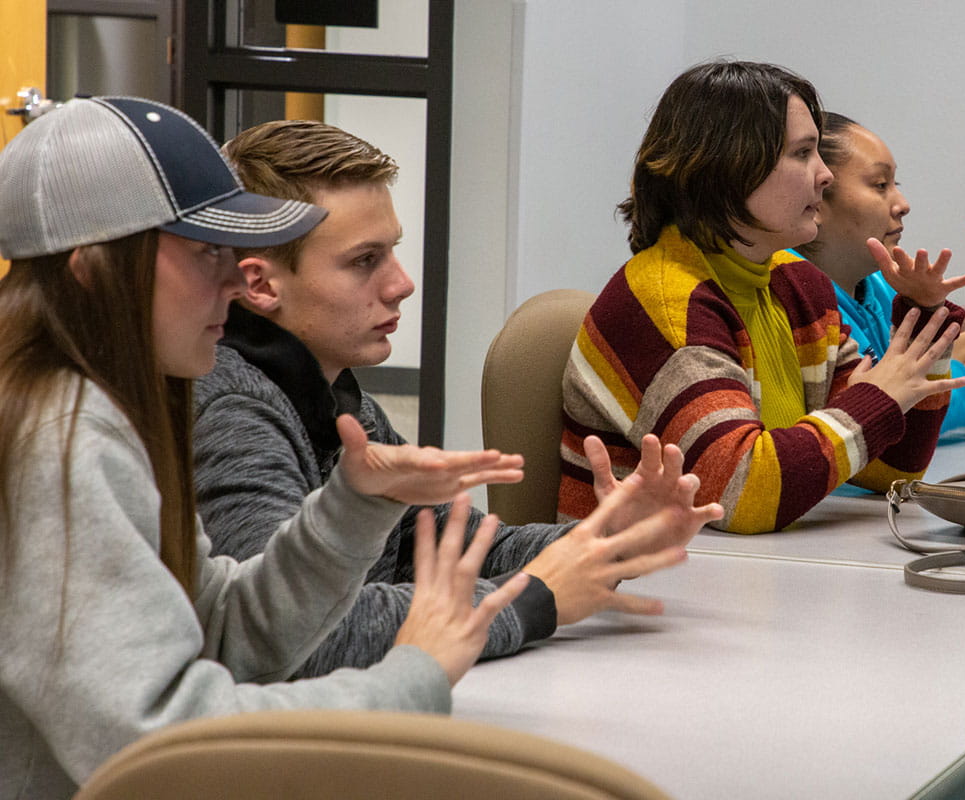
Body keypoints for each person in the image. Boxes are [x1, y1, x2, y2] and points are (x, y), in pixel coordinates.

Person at [0, 97, 713, 799]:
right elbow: (158, 743)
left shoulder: (118, 407)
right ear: (92, 271)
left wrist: (349, 508)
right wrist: (418, 673)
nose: (230, 279)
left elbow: (222, 629)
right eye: (206, 252)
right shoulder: (60, 438)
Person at [193, 119, 723, 675]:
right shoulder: (233, 411)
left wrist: (604, 540)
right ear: (260, 285)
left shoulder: (333, 396)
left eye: (392, 252)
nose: (401, 284)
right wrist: (536, 598)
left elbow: (446, 547)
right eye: (363, 260)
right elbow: (301, 638)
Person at [558, 60, 965, 535]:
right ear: (729, 168)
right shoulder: (668, 302)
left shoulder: (796, 282)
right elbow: (745, 493)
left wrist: (924, 318)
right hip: (632, 583)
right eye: (802, 154)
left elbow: (892, 466)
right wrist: (878, 396)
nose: (824, 176)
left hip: (739, 568)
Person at [793, 112, 965, 433]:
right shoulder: (795, 298)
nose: (902, 204)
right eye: (880, 185)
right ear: (816, 200)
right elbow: (874, 431)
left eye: (895, 185)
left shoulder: (882, 286)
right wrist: (953, 369)